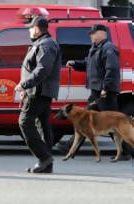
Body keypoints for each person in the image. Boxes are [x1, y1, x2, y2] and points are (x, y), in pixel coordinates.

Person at [57, 24, 133, 160]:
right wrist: (75, 63)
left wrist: (106, 87)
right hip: (96, 90)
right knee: (84, 119)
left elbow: (112, 69)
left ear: (102, 33)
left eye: (93, 33)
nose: (91, 36)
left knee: (113, 122)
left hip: (105, 91)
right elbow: (89, 64)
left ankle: (127, 151)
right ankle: (70, 147)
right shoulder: (95, 49)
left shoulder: (109, 48)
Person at [15, 16, 61, 173]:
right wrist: (26, 89)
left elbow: (42, 69)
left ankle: (44, 158)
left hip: (39, 92)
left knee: (24, 122)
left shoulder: (46, 45)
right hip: (36, 91)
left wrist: (25, 85)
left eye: (30, 27)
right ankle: (47, 165)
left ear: (36, 29)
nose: (28, 30)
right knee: (42, 126)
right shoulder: (41, 43)